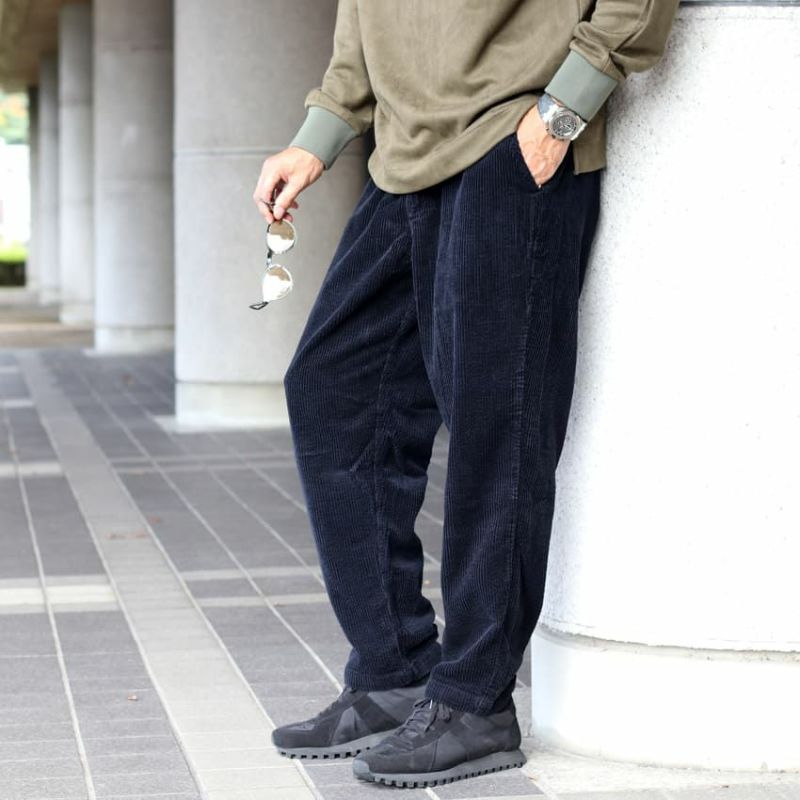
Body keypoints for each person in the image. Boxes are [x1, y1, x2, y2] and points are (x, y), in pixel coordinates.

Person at [253, 0, 680, 788]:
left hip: (512, 141)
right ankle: (395, 668)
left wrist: (562, 112)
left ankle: (475, 699)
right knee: (333, 388)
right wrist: (320, 134)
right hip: (403, 157)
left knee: (495, 420)